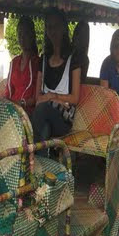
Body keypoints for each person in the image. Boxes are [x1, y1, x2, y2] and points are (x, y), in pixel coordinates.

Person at [32, 9, 81, 144]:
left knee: (42, 110)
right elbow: (37, 97)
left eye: (56, 26)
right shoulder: (43, 59)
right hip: (45, 114)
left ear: (64, 28)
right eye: (49, 27)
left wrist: (52, 97)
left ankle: (33, 158)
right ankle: (41, 160)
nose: (52, 31)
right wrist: (49, 100)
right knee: (43, 125)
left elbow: (75, 98)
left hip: (64, 119)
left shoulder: (73, 59)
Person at [4, 16, 39, 114]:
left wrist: (21, 103)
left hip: (27, 112)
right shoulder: (14, 62)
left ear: (32, 36)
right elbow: (8, 91)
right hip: (12, 111)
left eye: (26, 34)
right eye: (20, 34)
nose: (22, 38)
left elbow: (37, 97)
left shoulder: (38, 63)